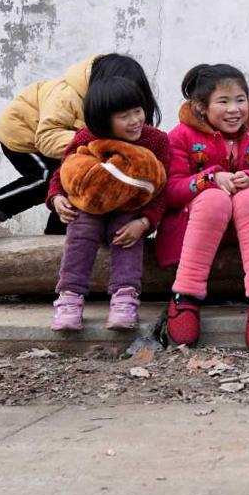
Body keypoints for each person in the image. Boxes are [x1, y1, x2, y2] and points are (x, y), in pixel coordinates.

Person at [161, 64, 249, 351]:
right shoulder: (181, 136)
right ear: (200, 108)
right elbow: (171, 191)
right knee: (213, 197)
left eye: (240, 99)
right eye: (223, 101)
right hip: (198, 228)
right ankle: (185, 295)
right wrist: (209, 178)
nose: (234, 109)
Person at [0, 53, 157, 245]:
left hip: (65, 142)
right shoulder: (67, 95)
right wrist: (96, 145)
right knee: (47, 178)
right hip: (22, 136)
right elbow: (47, 138)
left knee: (73, 184)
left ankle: (56, 237)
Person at [46, 76, 169, 332]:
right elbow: (64, 171)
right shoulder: (87, 137)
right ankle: (70, 296)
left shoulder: (155, 141)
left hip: (130, 209)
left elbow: (162, 189)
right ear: (103, 120)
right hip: (90, 206)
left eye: (138, 111)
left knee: (126, 235)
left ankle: (125, 297)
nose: (135, 120)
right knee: (80, 230)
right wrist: (57, 198)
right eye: (125, 116)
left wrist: (145, 222)